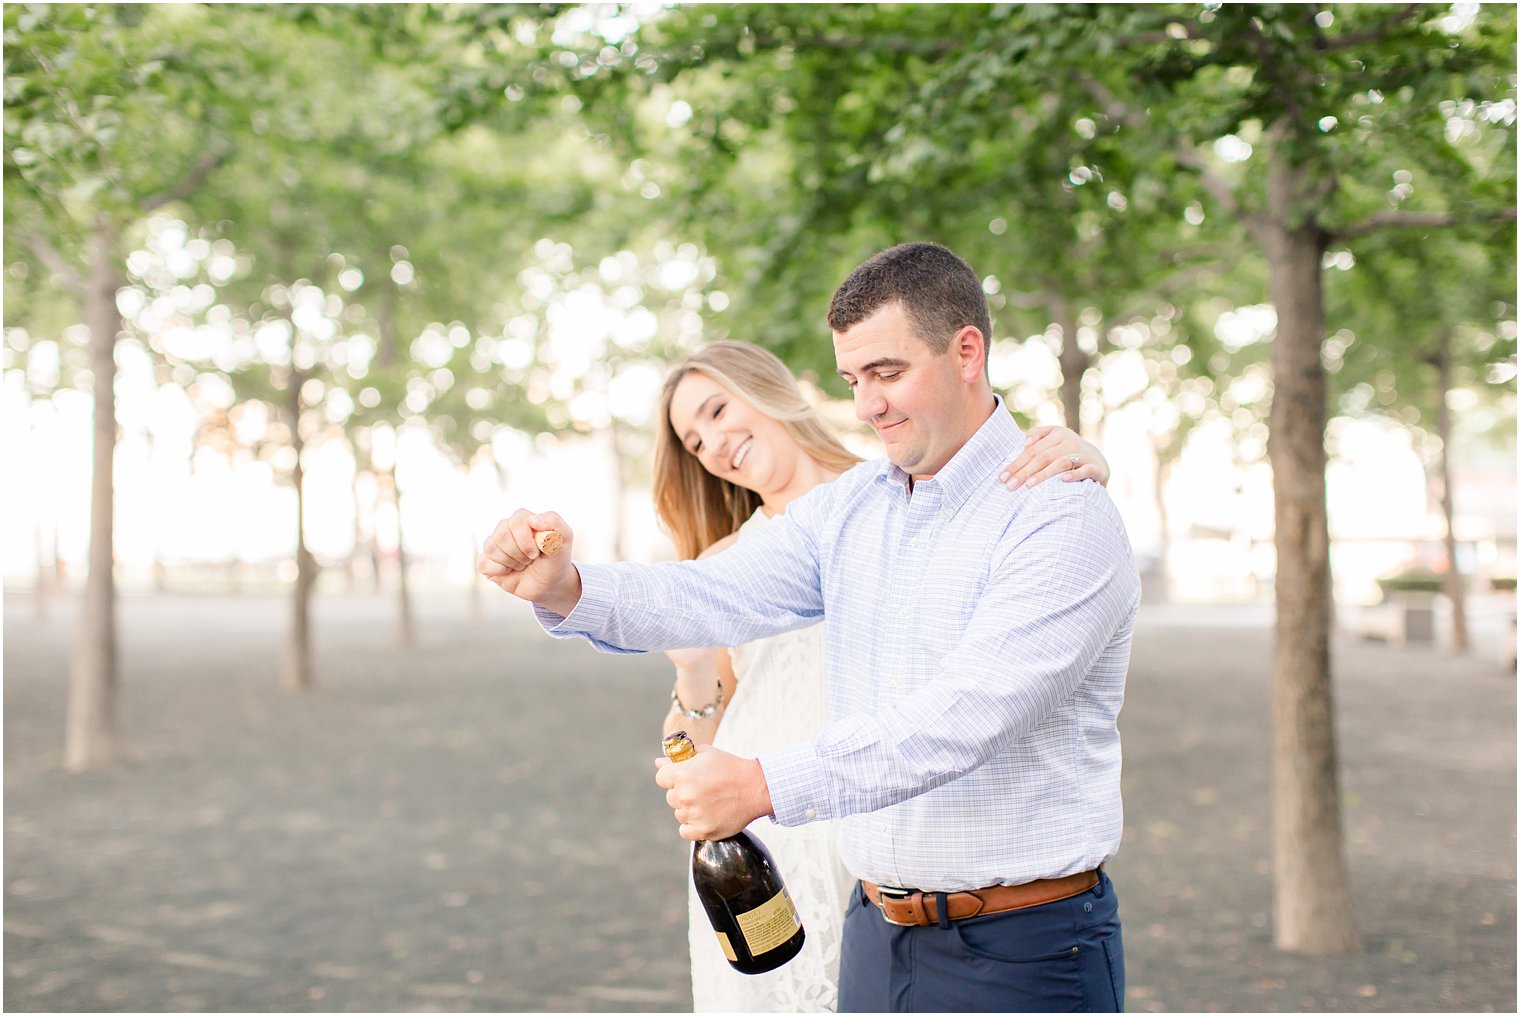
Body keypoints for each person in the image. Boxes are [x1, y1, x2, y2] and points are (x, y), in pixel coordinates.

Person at [479, 242, 1140, 1013]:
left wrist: (762, 784)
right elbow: (708, 591)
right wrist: (569, 586)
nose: (868, 405)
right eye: (854, 380)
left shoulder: (1058, 512)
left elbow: (966, 715)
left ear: (967, 352)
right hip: (873, 937)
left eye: (888, 373)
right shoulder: (849, 511)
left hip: (1021, 949)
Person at [649, 340, 1110, 1012]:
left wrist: (1088, 459)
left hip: (878, 823)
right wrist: (693, 673)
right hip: (768, 849)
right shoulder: (724, 561)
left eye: (718, 411)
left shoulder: (900, 500)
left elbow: (999, 523)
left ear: (768, 391)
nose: (715, 443)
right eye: (695, 441)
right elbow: (686, 746)